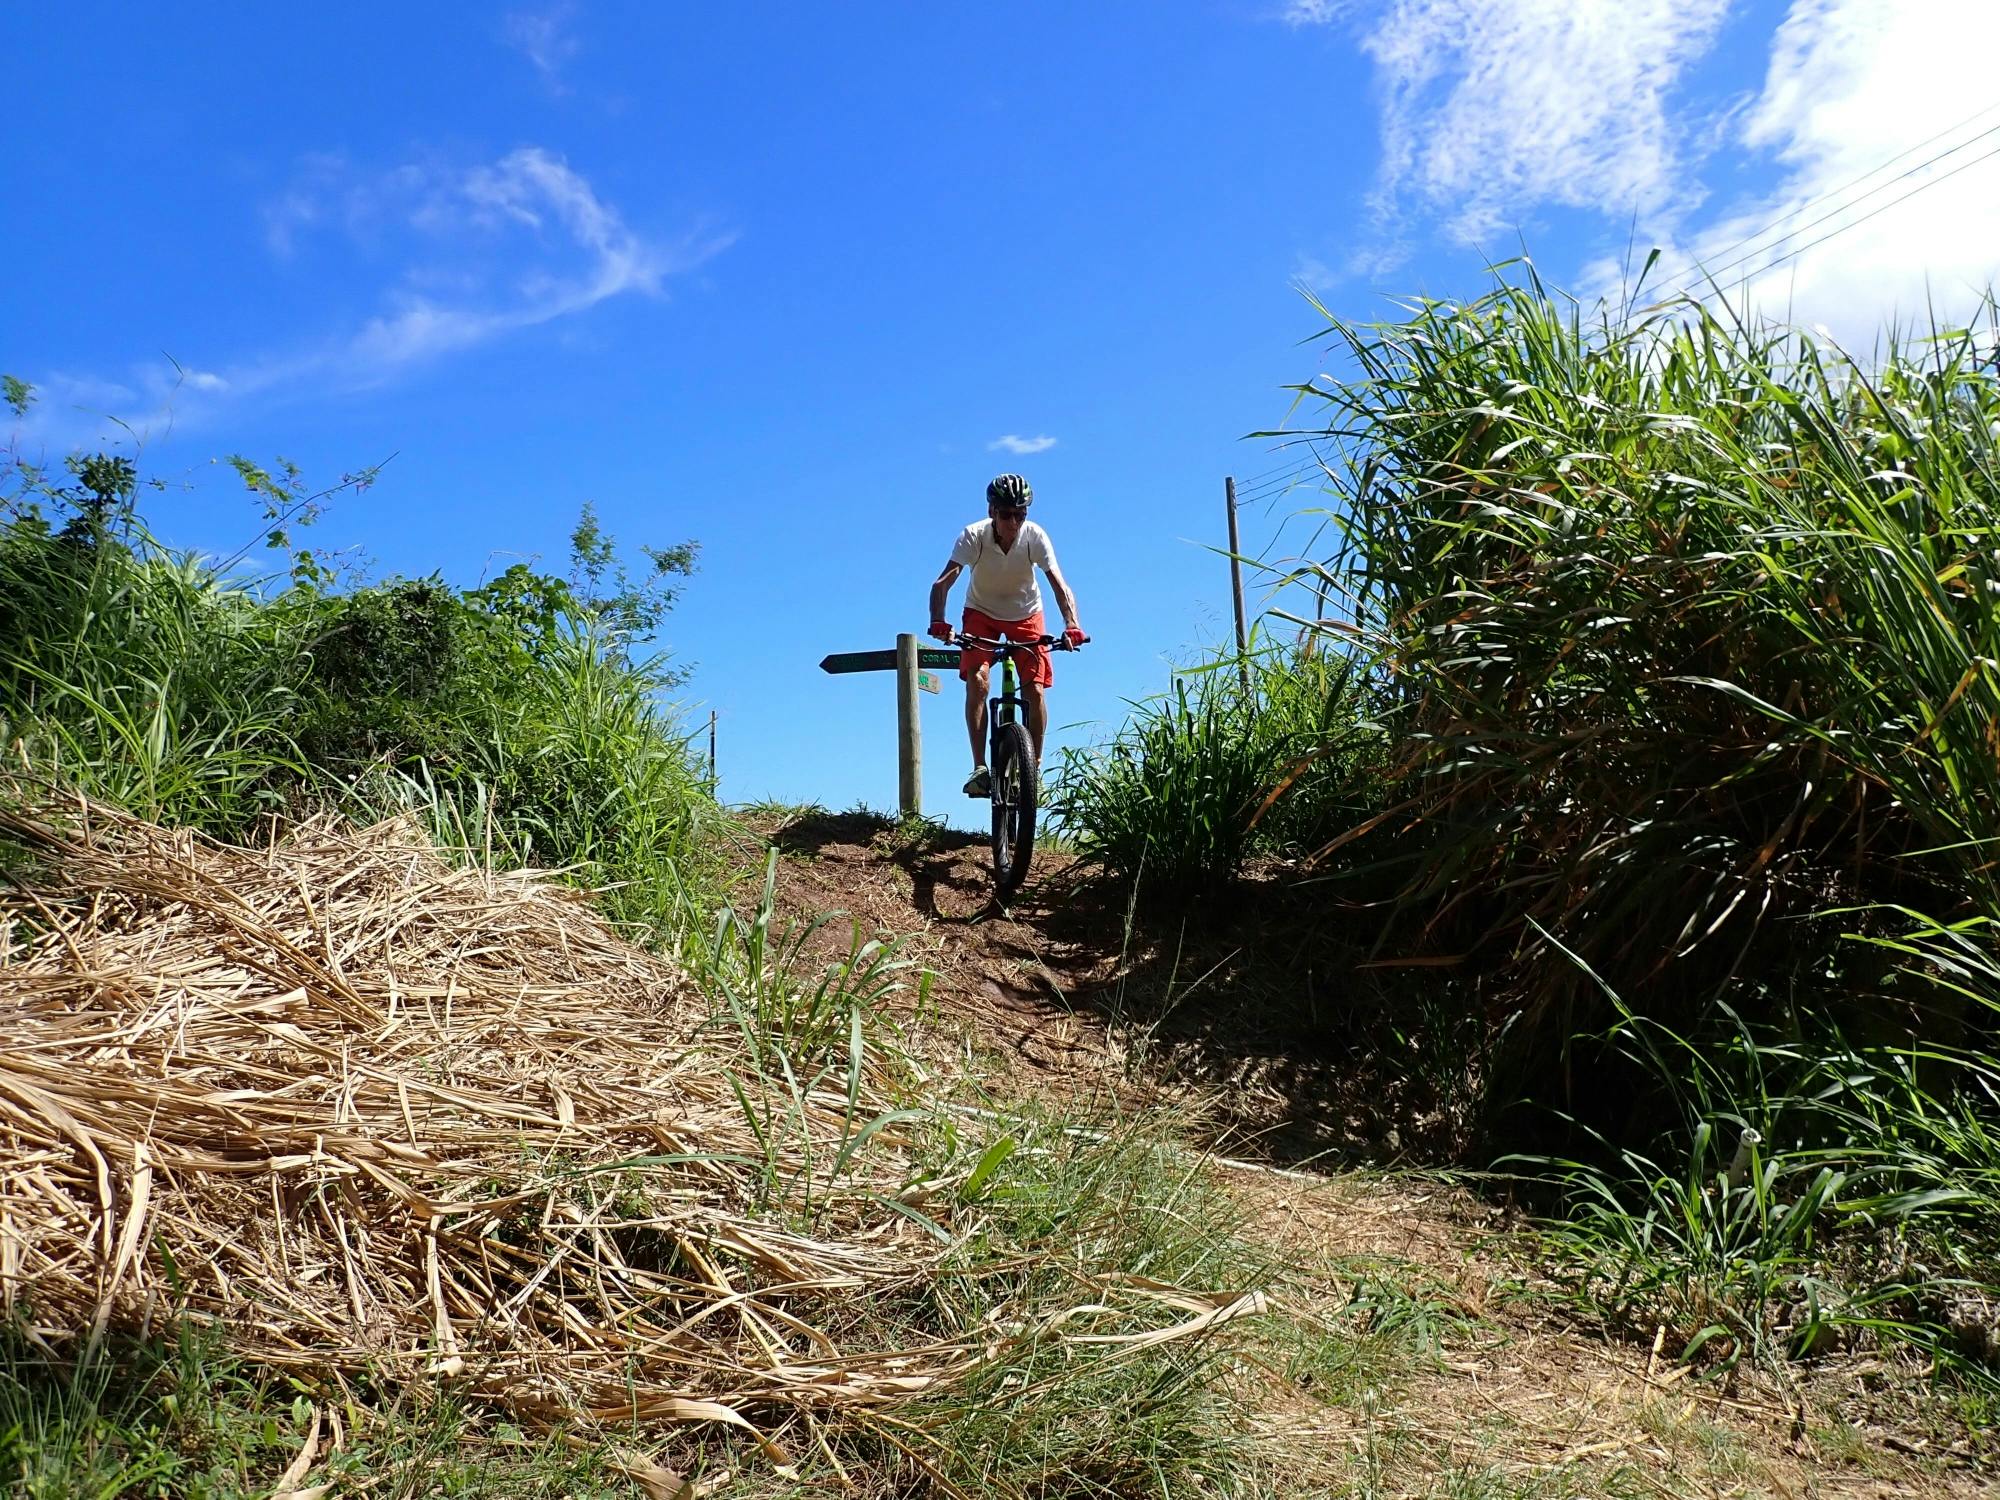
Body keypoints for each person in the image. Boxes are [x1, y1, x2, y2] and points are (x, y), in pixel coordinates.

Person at [928, 473, 1086, 796]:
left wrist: (1071, 624)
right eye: (1006, 514)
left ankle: (1034, 768)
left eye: (1020, 514)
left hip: (1026, 613)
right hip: (981, 613)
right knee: (978, 679)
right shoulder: (973, 537)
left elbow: (1060, 585)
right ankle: (980, 768)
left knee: (1036, 689)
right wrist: (938, 621)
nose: (1013, 522)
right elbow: (941, 584)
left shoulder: (1035, 537)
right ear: (991, 511)